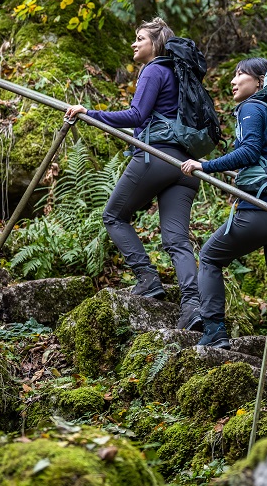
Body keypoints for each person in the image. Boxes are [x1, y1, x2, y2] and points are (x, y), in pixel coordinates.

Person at [65, 18, 202, 331]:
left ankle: (147, 278)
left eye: (140, 38)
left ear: (156, 44)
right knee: (177, 240)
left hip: (157, 156)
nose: (134, 43)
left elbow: (137, 115)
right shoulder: (180, 73)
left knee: (113, 216)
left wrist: (89, 113)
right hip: (186, 166)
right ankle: (192, 305)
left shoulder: (154, 69)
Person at [180, 58, 267, 379]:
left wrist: (205, 165)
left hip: (262, 210)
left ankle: (215, 331)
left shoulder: (253, 108)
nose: (233, 80)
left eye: (240, 74)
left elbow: (249, 151)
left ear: (260, 81)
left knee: (210, 257)